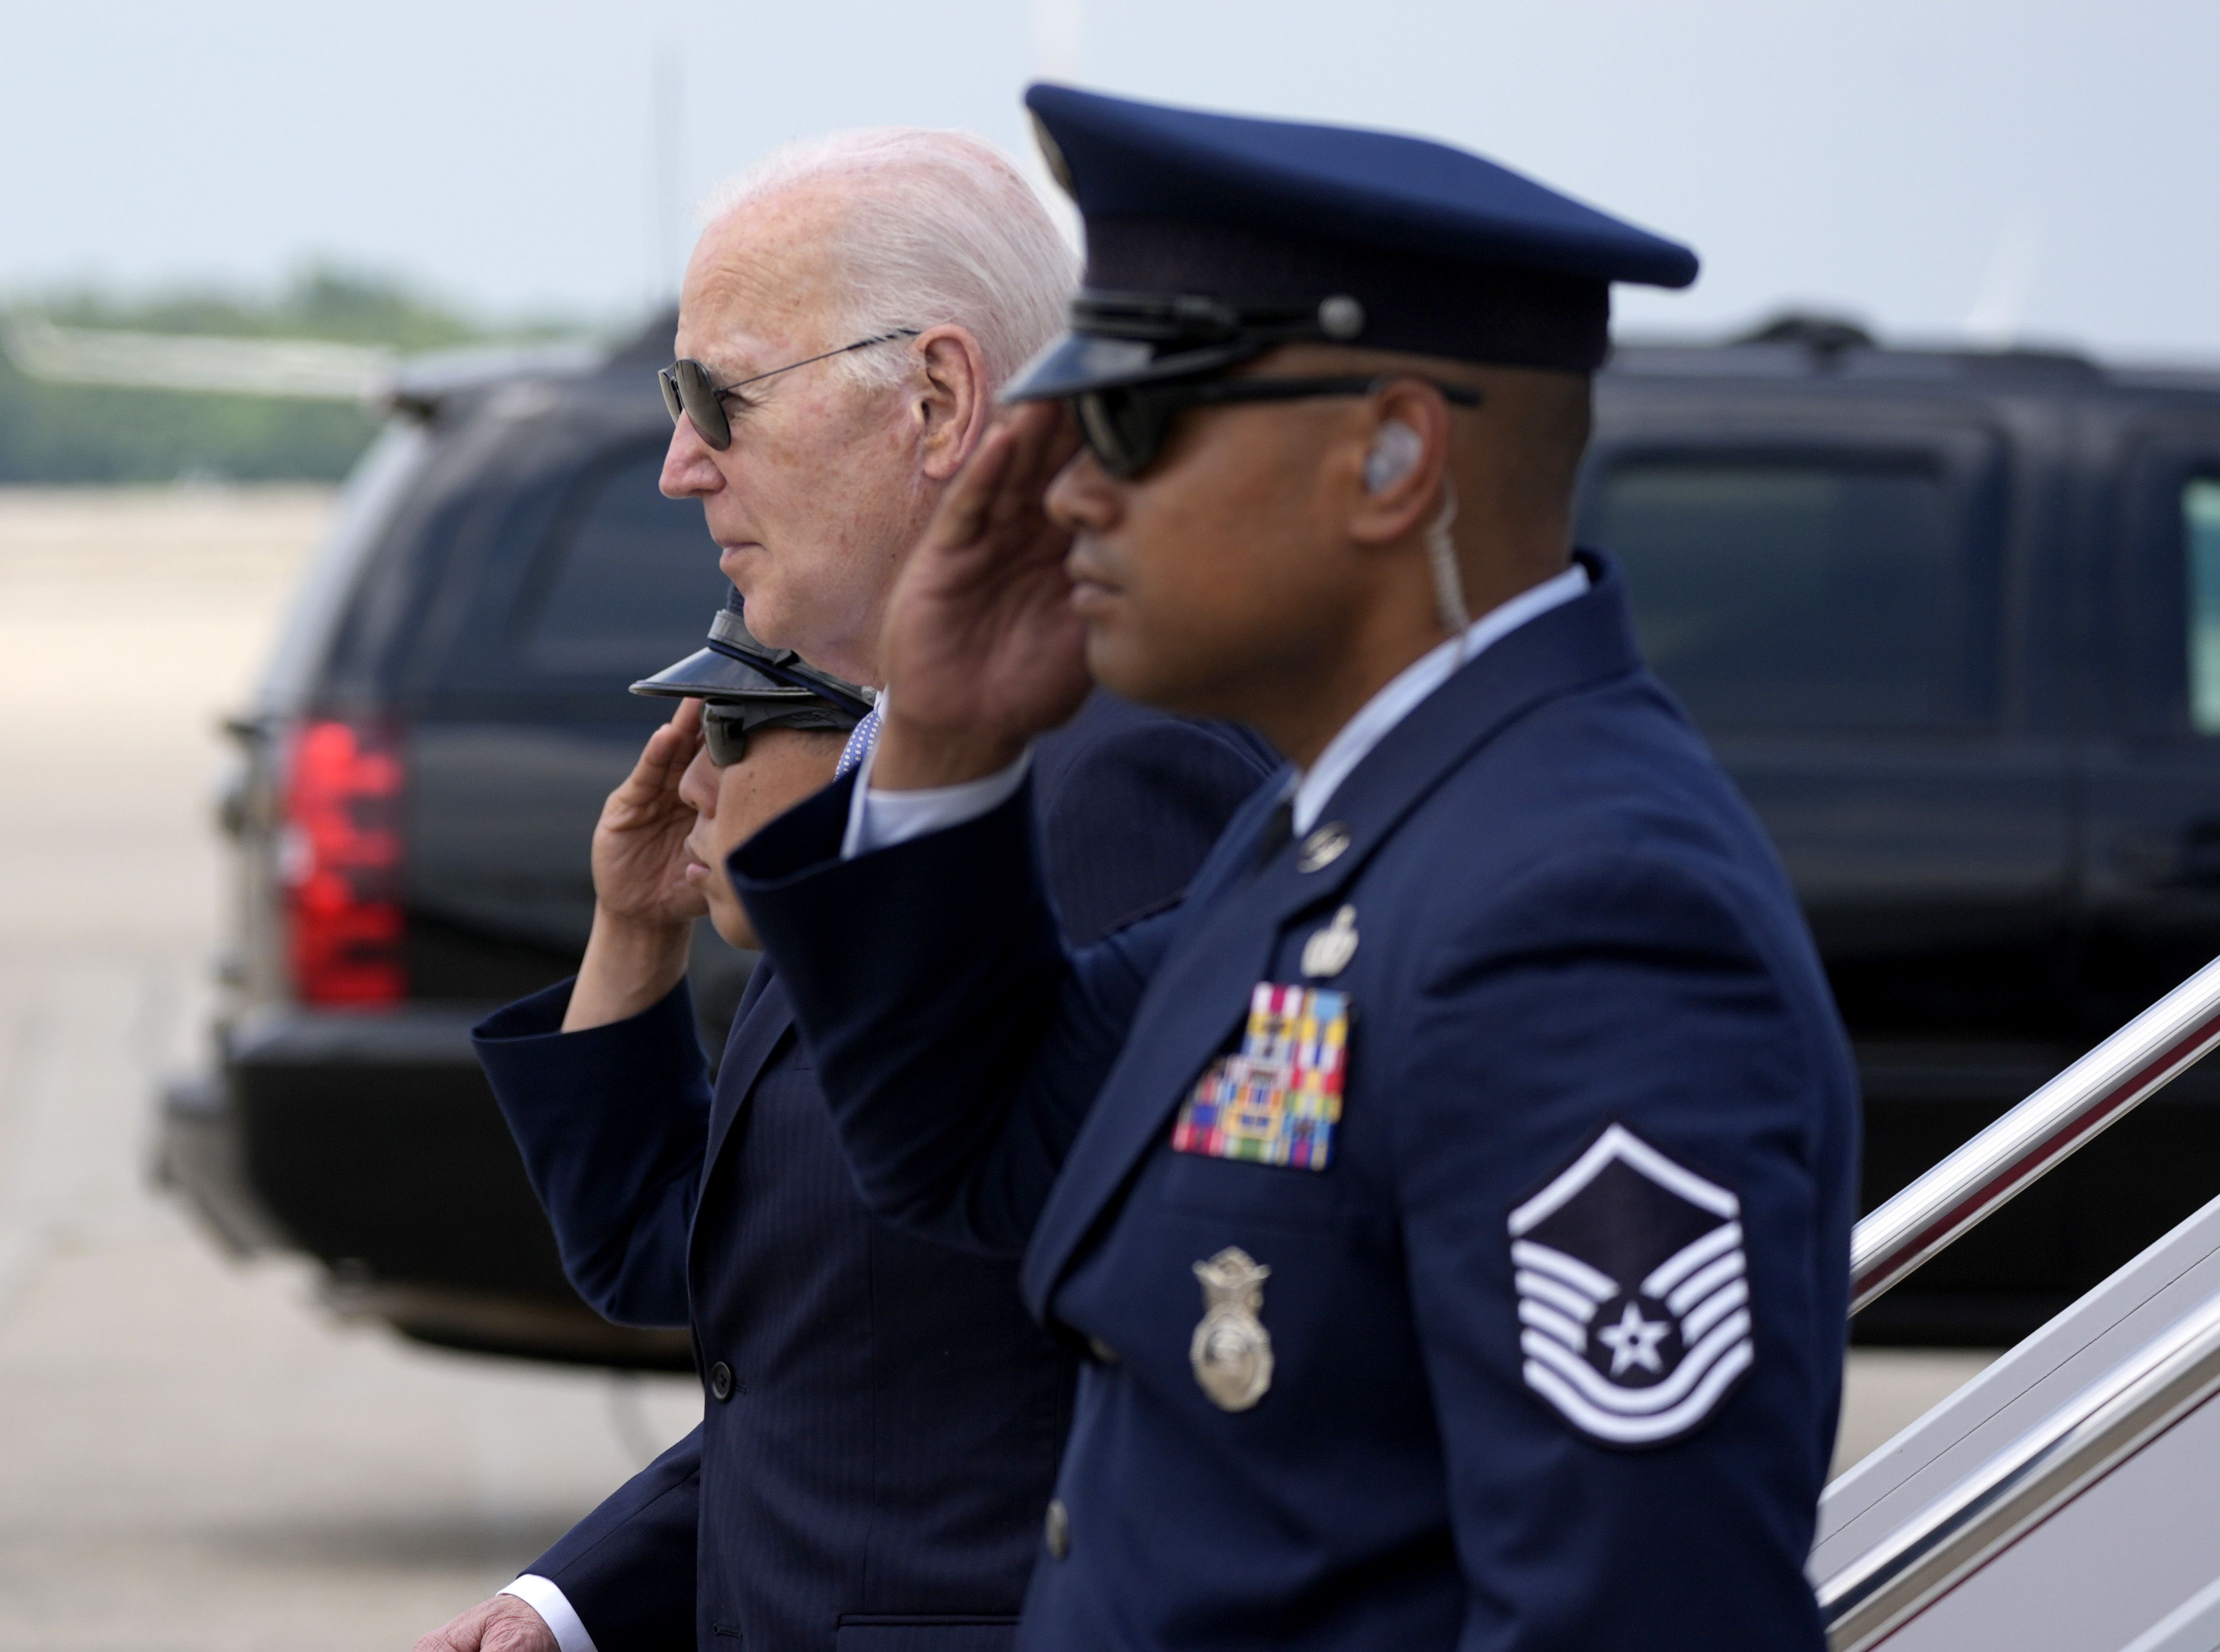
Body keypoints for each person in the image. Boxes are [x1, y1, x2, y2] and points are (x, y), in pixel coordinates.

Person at [730, 85, 1860, 1650]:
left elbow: (1630, 1613)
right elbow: (966, 1149)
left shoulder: (1585, 914)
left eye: (1129, 416)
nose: (1065, 488)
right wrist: (944, 741)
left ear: (1391, 453)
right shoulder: (1344, 830)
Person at [416, 128, 1274, 1652]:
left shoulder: (1115, 777)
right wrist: (574, 1601)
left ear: (934, 399)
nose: (681, 462)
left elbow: (1106, 1369)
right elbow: (772, 1307)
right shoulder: (891, 772)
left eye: (715, 399)